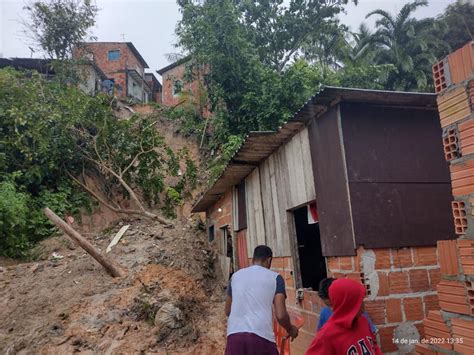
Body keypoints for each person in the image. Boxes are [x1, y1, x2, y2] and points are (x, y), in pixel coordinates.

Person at [224, 245, 299, 355]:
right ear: (269, 260)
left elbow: (227, 310)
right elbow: (281, 315)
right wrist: (291, 329)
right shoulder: (275, 278)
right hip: (261, 338)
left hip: (234, 338)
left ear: (253, 259)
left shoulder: (235, 276)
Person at [306, 278, 382, 355]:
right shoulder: (327, 335)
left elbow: (374, 346)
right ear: (347, 304)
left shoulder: (363, 321)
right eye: (358, 302)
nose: (363, 307)